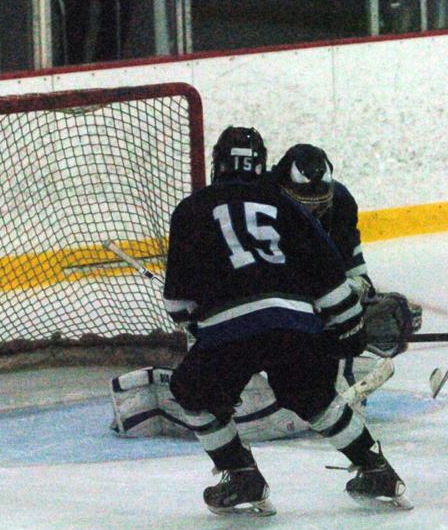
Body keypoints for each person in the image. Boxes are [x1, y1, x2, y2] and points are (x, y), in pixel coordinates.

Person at [161, 125, 412, 515]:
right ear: (262, 165)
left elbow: (178, 301)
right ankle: (375, 469)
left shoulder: (192, 208)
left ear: (217, 164)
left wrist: (196, 324)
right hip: (293, 322)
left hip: (230, 328)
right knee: (315, 399)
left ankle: (242, 476)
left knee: (193, 393)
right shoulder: (283, 204)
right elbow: (325, 270)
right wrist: (349, 325)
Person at [110, 141, 420, 443]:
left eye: (319, 205)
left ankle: (311, 395)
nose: (312, 213)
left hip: (295, 305)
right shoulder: (265, 197)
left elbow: (352, 270)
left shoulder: (340, 201)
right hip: (261, 302)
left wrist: (355, 305)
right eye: (303, 205)